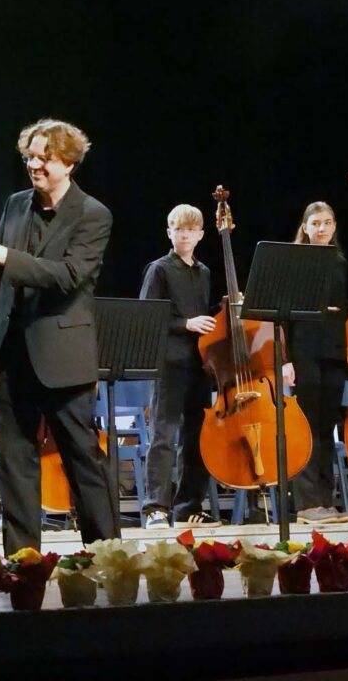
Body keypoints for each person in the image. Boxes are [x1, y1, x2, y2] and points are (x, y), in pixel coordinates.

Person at [0, 118, 116, 555]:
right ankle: (22, 559)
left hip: (62, 355)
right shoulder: (15, 205)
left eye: (43, 158)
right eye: (29, 156)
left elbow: (69, 276)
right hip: (11, 352)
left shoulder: (93, 214)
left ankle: (107, 553)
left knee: (82, 458)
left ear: (68, 163)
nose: (33, 164)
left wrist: (7, 256)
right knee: (14, 463)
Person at [138, 204, 218, 530]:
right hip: (169, 363)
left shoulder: (204, 272)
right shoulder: (159, 269)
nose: (184, 234)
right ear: (169, 232)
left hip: (198, 365)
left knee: (196, 437)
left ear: (200, 235)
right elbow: (147, 316)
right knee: (163, 434)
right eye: (178, 229)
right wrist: (186, 323)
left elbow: (203, 316)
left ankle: (189, 506)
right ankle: (155, 507)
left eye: (190, 229)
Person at [282, 201, 348, 524]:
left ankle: (325, 498)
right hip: (304, 351)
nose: (321, 228)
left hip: (334, 352)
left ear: (334, 227)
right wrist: (286, 360)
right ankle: (307, 503)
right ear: (306, 228)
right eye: (315, 223)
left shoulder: (339, 262)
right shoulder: (294, 263)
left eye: (327, 222)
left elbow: (341, 310)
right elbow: (281, 315)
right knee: (307, 427)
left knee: (326, 427)